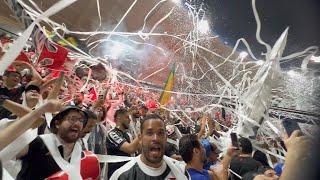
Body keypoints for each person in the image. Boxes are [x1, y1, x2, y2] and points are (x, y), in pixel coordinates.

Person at [16, 105, 100, 180]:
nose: (77, 123)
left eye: (81, 121)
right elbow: (8, 152)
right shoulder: (38, 143)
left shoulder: (82, 151)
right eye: (72, 119)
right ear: (57, 123)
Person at [110, 114, 188, 180]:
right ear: (140, 138)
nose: (155, 138)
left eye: (160, 133)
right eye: (149, 133)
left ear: (166, 138)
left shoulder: (181, 170)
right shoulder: (122, 176)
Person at [106, 108, 140, 178]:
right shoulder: (112, 133)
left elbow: (137, 152)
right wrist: (143, 132)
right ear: (119, 118)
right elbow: (130, 149)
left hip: (128, 174)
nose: (130, 120)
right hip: (116, 174)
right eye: (127, 117)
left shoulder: (128, 135)